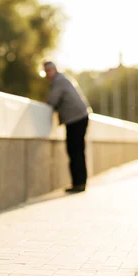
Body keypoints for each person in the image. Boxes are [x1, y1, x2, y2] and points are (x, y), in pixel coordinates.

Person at [44, 61, 91, 193]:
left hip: (76, 119)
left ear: (54, 70)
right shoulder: (63, 78)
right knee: (77, 151)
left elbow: (52, 101)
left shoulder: (59, 81)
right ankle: (80, 183)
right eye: (45, 71)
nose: (47, 74)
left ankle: (79, 184)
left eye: (49, 70)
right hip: (79, 118)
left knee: (74, 151)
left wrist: (45, 102)